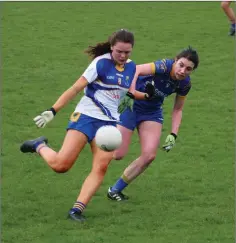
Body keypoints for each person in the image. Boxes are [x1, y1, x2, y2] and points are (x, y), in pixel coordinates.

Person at [20, 29, 153, 222]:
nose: (123, 56)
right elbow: (75, 88)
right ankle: (39, 145)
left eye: (127, 52)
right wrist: (53, 110)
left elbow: (128, 95)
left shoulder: (131, 68)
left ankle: (77, 210)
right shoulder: (100, 63)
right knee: (61, 166)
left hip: (109, 125)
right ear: (111, 47)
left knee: (101, 167)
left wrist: (147, 95)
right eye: (119, 52)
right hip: (86, 117)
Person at [107, 46, 199, 201]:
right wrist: (130, 93)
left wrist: (173, 134)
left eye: (188, 69)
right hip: (132, 103)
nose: (183, 71)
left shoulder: (185, 84)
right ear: (175, 60)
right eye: (181, 65)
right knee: (118, 154)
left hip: (152, 111)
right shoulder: (163, 66)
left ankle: (115, 190)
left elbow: (178, 110)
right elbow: (135, 70)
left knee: (149, 155)